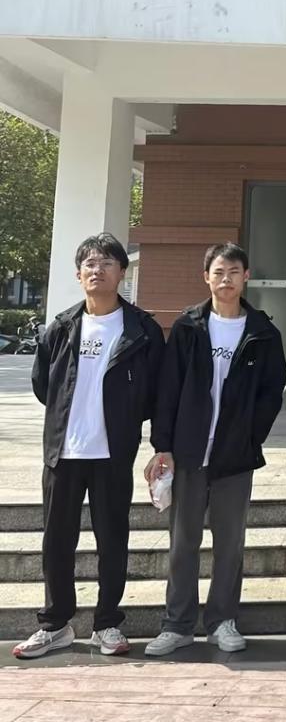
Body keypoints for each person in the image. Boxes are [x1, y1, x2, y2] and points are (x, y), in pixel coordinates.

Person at [15, 234, 164, 659]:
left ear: (122, 272)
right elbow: (44, 385)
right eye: (90, 264)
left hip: (112, 453)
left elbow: (157, 393)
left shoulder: (143, 330)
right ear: (79, 274)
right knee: (56, 542)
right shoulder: (61, 327)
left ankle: (107, 624)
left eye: (107, 263)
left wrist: (152, 439)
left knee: (112, 540)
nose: (97, 270)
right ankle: (55, 624)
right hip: (63, 453)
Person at [142, 242, 286, 657]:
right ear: (206, 277)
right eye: (219, 272)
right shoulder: (188, 327)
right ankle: (177, 624)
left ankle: (222, 621)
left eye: (234, 272)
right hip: (188, 451)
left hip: (234, 456)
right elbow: (168, 389)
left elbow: (271, 393)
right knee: (182, 542)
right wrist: (163, 445)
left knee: (230, 543)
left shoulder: (263, 332)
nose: (226, 279)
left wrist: (250, 438)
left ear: (246, 277)